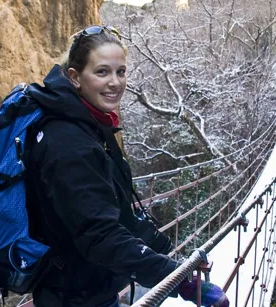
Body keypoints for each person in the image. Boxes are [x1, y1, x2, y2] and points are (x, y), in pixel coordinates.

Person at [23, 25, 229, 307]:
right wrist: (180, 281)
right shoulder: (69, 142)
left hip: (89, 288)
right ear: (74, 77)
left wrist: (173, 259)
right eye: (102, 72)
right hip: (73, 295)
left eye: (120, 72)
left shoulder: (90, 128)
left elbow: (118, 215)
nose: (115, 82)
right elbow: (99, 234)